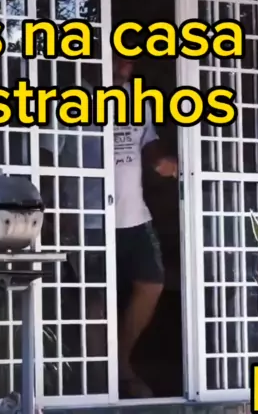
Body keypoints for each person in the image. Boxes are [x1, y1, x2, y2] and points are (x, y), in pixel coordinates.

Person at [107, 56, 178, 397]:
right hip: (89, 218)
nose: (128, 66)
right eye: (119, 58)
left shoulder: (137, 99)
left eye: (129, 59)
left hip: (134, 214)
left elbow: (147, 141)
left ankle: (120, 362)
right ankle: (100, 374)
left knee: (152, 282)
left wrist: (161, 160)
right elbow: (50, 155)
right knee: (94, 296)